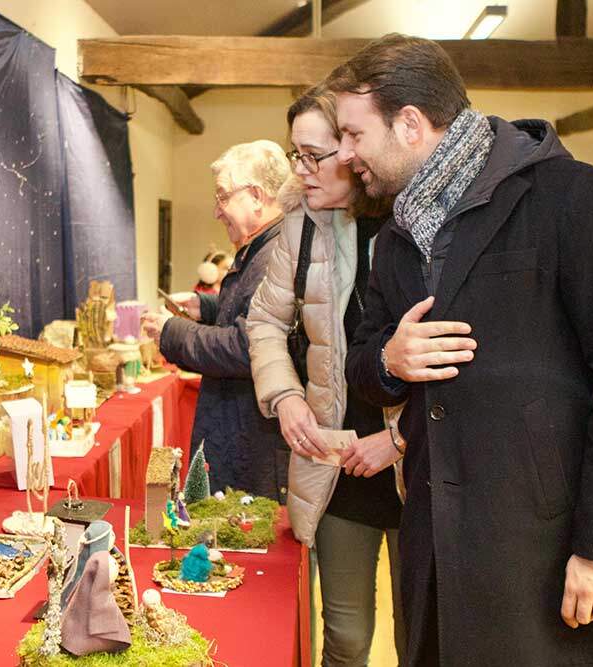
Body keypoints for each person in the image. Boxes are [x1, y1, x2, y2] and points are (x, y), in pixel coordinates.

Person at [334, 34, 593, 666]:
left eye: (353, 134)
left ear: (410, 124)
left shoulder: (575, 197)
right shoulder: (395, 239)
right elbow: (362, 363)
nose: (344, 154)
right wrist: (390, 360)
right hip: (436, 553)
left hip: (547, 555)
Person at [246, 86, 405, 666]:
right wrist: (286, 397)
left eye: (314, 155)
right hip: (335, 465)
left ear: (356, 147)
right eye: (297, 155)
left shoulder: (416, 221)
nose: (301, 170)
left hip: (419, 462)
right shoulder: (302, 224)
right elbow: (264, 321)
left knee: (422, 640)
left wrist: (399, 438)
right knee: (345, 637)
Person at [141, 140, 292, 501]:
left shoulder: (274, 256)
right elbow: (251, 313)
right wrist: (206, 307)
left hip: (253, 449)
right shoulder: (263, 247)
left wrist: (171, 331)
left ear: (256, 196)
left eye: (223, 197)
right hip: (242, 435)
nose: (216, 211)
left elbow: (245, 347)